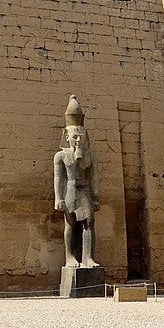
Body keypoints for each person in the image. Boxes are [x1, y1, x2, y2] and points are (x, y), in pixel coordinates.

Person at [54, 95, 100, 268]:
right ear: (67, 136)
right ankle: (70, 257)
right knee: (71, 223)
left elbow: (94, 179)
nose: (78, 140)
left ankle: (88, 257)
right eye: (75, 137)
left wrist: (96, 197)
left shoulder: (90, 156)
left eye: (81, 136)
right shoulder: (61, 155)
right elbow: (58, 177)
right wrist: (58, 198)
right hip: (71, 189)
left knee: (89, 223)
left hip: (85, 190)